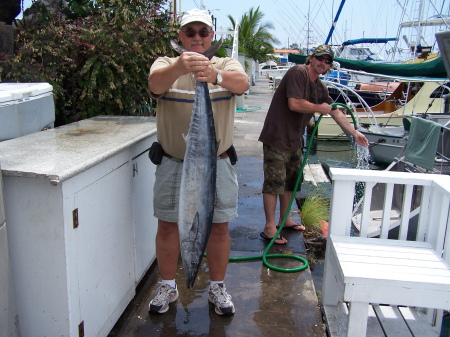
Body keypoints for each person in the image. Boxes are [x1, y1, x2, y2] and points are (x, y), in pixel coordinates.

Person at [147, 8, 249, 315]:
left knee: (218, 228)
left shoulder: (225, 64)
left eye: (203, 33)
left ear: (211, 36)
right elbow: (155, 85)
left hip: (216, 164)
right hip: (173, 162)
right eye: (190, 32)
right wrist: (180, 66)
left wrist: (215, 76)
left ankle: (217, 287)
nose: (197, 38)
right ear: (180, 36)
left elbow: (242, 84)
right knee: (167, 226)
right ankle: (167, 284)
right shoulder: (166, 63)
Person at [258, 45, 369, 245]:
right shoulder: (298, 72)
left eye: (328, 61)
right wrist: (320, 108)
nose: (323, 63)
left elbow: (334, 110)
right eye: (320, 58)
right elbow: (295, 103)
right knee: (274, 183)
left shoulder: (320, 87)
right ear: (311, 58)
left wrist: (354, 132)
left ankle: (285, 220)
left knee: (292, 182)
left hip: (295, 140)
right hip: (277, 137)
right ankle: (269, 227)